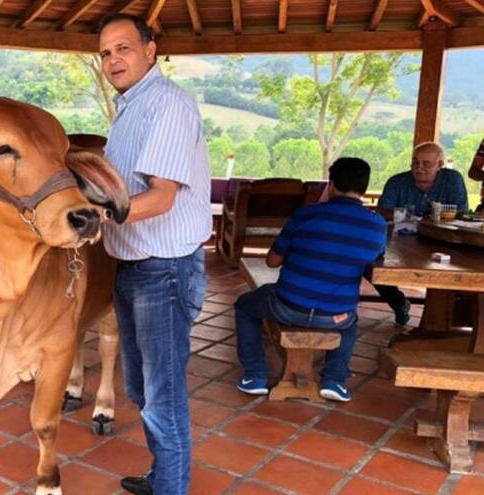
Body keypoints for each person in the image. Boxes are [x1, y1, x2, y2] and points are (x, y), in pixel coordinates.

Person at [97, 13, 211, 495]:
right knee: (142, 390)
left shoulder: (167, 105)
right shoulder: (128, 109)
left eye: (123, 48)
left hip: (163, 270)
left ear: (150, 49)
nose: (113, 59)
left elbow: (161, 198)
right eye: (105, 53)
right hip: (133, 266)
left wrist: (94, 214)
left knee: (161, 396)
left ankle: (171, 488)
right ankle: (163, 476)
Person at [235, 158, 387, 403]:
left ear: (332, 185)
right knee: (350, 318)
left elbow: (272, 262)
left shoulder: (306, 215)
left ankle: (255, 375)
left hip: (287, 307)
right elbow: (374, 262)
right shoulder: (377, 225)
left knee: (244, 306)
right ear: (365, 189)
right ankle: (335, 381)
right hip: (336, 315)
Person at [375, 141, 468, 324]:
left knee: (458, 268)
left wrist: (417, 218)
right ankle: (398, 302)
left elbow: (461, 213)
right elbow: (382, 212)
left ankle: (448, 317)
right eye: (415, 162)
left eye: (426, 163)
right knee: (373, 263)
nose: (419, 168)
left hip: (442, 240)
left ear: (439, 165)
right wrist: (408, 216)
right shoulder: (397, 181)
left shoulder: (452, 180)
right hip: (399, 241)